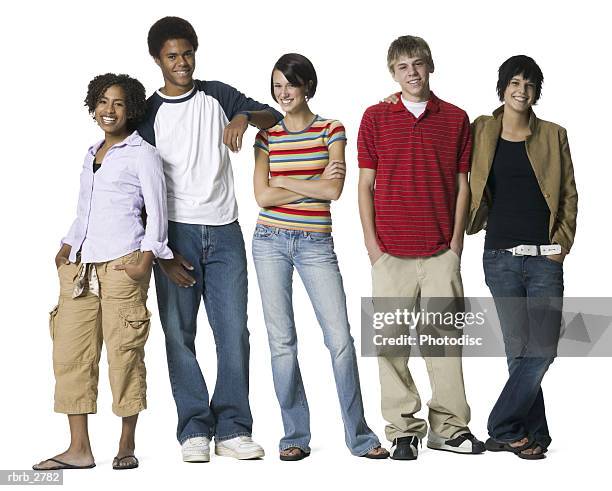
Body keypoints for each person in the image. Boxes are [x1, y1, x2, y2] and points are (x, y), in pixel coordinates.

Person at [138, 17, 283, 462]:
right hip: (175, 235)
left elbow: (273, 116)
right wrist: (161, 254)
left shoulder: (218, 94)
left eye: (187, 53)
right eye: (172, 56)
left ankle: (234, 427)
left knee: (233, 332)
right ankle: (194, 429)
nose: (181, 62)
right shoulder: (147, 112)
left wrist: (241, 115)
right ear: (157, 60)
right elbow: (138, 190)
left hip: (224, 232)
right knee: (179, 335)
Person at [251, 53, 388, 461]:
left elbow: (335, 192)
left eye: (289, 84)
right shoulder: (266, 136)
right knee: (282, 343)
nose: (283, 93)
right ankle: (294, 435)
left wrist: (284, 180)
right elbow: (262, 196)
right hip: (268, 241)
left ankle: (360, 438)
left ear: (306, 85)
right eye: (276, 86)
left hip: (315, 244)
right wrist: (311, 180)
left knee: (340, 340)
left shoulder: (332, 129)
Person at [33, 73, 172, 471]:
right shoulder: (91, 152)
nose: (109, 110)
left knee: (125, 355)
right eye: (103, 102)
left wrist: (147, 258)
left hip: (122, 265)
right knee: (70, 355)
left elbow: (157, 212)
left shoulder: (142, 153)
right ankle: (79, 449)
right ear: (93, 105)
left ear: (132, 110)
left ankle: (126, 443)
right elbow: (85, 211)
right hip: (80, 268)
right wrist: (64, 248)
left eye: (119, 104)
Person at [358, 35, 485, 460]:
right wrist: (373, 247)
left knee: (444, 343)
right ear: (392, 73)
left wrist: (455, 246)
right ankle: (403, 430)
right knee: (390, 344)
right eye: (402, 67)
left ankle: (449, 428)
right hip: (390, 252)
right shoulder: (375, 117)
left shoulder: (455, 118)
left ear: (430, 66)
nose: (412, 72)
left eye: (418, 64)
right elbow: (365, 185)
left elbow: (462, 185)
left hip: (439, 251)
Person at [466, 55, 578, 459]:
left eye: (530, 84)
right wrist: (396, 97)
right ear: (502, 87)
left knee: (542, 348)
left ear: (536, 92)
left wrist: (561, 246)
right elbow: (437, 115)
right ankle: (532, 435)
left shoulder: (554, 134)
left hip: (544, 258)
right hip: (500, 256)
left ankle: (501, 425)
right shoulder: (481, 129)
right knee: (520, 350)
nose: (522, 90)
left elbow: (568, 193)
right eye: (515, 82)